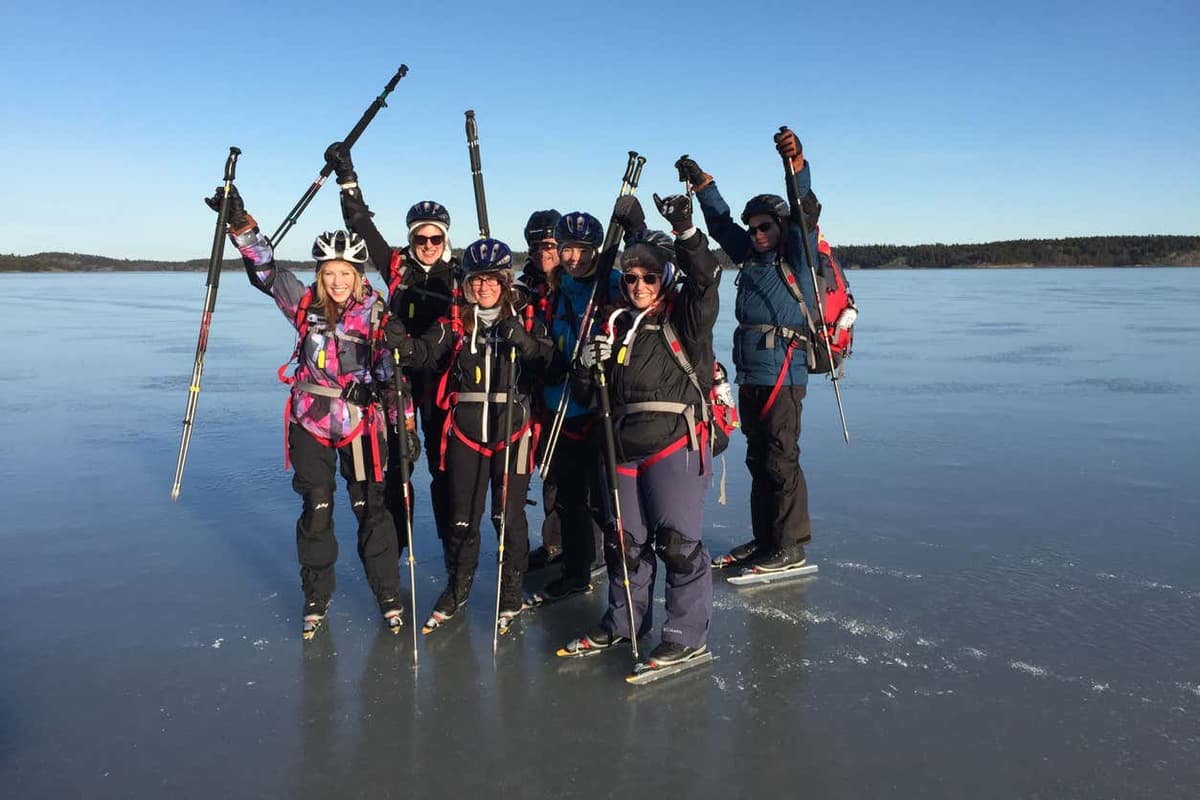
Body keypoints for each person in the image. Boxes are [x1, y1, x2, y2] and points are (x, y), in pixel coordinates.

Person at [210, 186, 403, 639]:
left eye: (346, 273)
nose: (338, 281)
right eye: (330, 272)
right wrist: (241, 226)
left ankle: (388, 596)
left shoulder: (376, 312)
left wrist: (401, 427)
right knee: (316, 509)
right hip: (310, 422)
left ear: (358, 275)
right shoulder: (303, 303)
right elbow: (266, 272)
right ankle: (316, 596)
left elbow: (391, 375)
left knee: (371, 511)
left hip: (360, 427)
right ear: (320, 273)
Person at [558, 192, 720, 669]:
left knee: (677, 545)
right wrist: (588, 367)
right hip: (619, 445)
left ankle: (685, 634)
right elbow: (588, 397)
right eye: (631, 277)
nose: (640, 283)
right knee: (624, 545)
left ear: (665, 277)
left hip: (674, 441)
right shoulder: (611, 322)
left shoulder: (685, 319)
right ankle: (623, 623)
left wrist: (686, 230)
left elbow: (706, 280)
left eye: (650, 276)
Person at [385, 238, 564, 633]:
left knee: (508, 517)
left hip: (511, 430)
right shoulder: (456, 320)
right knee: (463, 518)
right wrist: (399, 342)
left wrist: (527, 343)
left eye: (490, 280)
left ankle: (511, 591)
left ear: (503, 281)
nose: (482, 288)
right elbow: (427, 353)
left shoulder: (525, 314)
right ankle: (457, 586)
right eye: (475, 281)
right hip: (466, 431)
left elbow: (551, 361)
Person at [676, 129, 819, 574]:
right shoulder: (753, 257)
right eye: (753, 227)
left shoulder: (796, 256)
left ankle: (790, 545)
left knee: (781, 457)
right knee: (758, 458)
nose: (756, 234)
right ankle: (765, 539)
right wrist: (703, 184)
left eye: (765, 227)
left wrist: (795, 165)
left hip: (784, 372)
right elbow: (720, 225)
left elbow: (802, 211)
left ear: (780, 229)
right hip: (753, 371)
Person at [326, 142, 460, 562]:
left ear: (445, 238)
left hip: (440, 380)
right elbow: (361, 224)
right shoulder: (397, 265)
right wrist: (347, 178)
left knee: (442, 466)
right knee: (399, 459)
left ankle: (450, 543)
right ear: (411, 238)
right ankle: (399, 545)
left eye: (435, 237)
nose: (428, 244)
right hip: (397, 380)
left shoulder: (458, 275)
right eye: (420, 237)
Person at [524, 211, 620, 606]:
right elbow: (551, 337)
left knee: (607, 500)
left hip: (602, 408)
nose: (573, 257)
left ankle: (621, 575)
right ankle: (576, 570)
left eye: (581, 250)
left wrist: (602, 354)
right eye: (567, 249)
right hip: (561, 405)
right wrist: (560, 358)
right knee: (568, 497)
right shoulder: (556, 288)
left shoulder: (612, 285)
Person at [515, 210, 566, 571]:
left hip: (570, 392)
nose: (542, 252)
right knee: (547, 471)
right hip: (534, 395)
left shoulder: (577, 286)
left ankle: (581, 547)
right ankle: (554, 544)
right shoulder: (523, 288)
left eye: (549, 244)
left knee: (572, 477)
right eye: (535, 245)